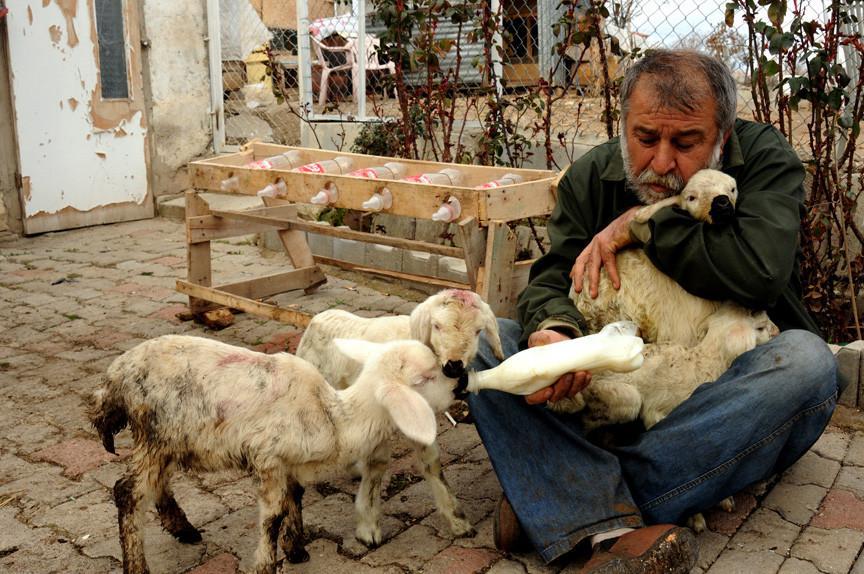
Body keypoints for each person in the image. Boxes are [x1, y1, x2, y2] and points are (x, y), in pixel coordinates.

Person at [467, 49, 840, 572]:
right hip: (617, 387)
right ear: (623, 128)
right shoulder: (591, 176)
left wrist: (642, 222)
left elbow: (760, 271)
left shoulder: (762, 160)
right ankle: (627, 504)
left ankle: (560, 495)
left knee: (807, 363)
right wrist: (554, 332)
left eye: (686, 143)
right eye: (645, 139)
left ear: (722, 137)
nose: (662, 163)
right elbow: (552, 278)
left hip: (715, 393)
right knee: (485, 342)